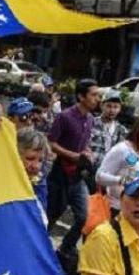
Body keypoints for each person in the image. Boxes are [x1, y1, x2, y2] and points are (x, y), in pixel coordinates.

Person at [47, 79, 99, 255]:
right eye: (93, 95)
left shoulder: (91, 119)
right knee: (52, 214)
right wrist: (72, 155)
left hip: (78, 176)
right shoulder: (64, 117)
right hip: (59, 173)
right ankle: (39, 245)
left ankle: (66, 247)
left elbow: (84, 143)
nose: (97, 99)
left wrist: (87, 152)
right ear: (81, 96)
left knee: (85, 216)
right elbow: (52, 143)